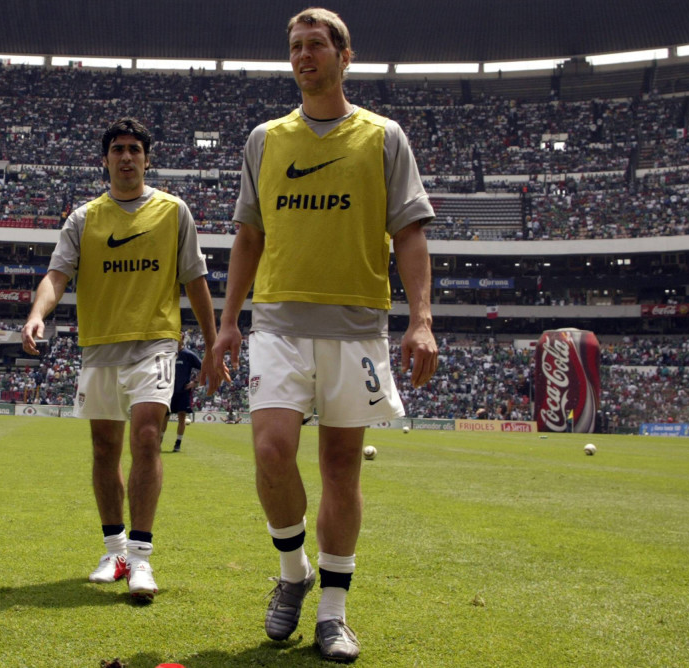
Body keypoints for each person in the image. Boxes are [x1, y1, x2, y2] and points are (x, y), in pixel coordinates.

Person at [209, 8, 438, 662]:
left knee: (341, 468)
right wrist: (227, 322)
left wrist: (421, 319)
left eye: (316, 45)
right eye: (295, 47)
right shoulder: (264, 140)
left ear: (344, 56)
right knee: (272, 450)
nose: (304, 55)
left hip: (357, 325)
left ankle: (333, 614)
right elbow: (248, 235)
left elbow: (411, 234)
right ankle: (293, 573)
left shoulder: (384, 137)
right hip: (278, 320)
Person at [21, 118, 226, 602]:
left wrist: (213, 344)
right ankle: (113, 550)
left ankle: (141, 558)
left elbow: (195, 282)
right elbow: (56, 276)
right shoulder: (83, 218)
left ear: (147, 159)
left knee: (149, 438)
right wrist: (37, 314)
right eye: (118, 149)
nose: (127, 156)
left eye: (135, 149)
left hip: (155, 342)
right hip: (99, 346)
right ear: (106, 159)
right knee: (103, 448)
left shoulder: (174, 212)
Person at [166, 341, 202, 452]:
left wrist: (195, 382)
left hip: (183, 391)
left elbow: (203, 367)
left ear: (182, 339)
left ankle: (178, 443)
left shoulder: (188, 354)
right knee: (164, 417)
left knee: (181, 417)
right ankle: (159, 441)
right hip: (168, 390)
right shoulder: (168, 352)